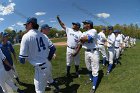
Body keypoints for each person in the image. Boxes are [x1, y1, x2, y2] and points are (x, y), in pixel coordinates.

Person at [19, 17, 58, 93]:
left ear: (30, 24)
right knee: (50, 79)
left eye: (26, 25)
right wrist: (49, 59)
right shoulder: (44, 35)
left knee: (39, 91)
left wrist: (26, 59)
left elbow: (21, 60)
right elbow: (53, 49)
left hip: (40, 68)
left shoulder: (26, 36)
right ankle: (57, 88)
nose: (25, 26)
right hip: (47, 63)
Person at [73, 20, 99, 93]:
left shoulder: (93, 30)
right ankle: (91, 79)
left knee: (95, 70)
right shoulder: (84, 32)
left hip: (94, 52)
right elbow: (81, 42)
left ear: (89, 25)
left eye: (84, 24)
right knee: (88, 67)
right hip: (86, 52)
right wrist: (76, 51)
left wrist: (82, 39)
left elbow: (88, 39)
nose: (83, 25)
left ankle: (93, 87)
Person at [40, 24, 60, 91]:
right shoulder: (44, 36)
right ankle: (47, 85)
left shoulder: (39, 36)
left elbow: (45, 47)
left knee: (47, 72)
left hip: (41, 59)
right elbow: (53, 48)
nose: (49, 30)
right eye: (48, 28)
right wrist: (49, 57)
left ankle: (48, 83)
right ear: (43, 29)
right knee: (45, 73)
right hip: (44, 59)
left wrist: (52, 53)